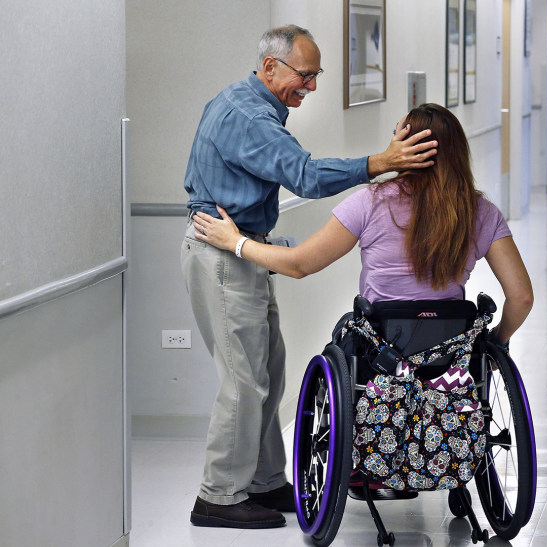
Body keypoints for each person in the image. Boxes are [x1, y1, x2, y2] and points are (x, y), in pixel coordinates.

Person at [181, 25, 437, 530]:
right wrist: (378, 164)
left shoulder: (252, 103)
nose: (313, 87)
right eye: (306, 75)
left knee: (269, 372)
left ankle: (266, 480)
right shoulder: (248, 116)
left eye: (317, 75)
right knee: (243, 381)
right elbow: (304, 175)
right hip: (224, 253)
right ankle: (219, 496)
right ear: (270, 66)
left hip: (246, 249)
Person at [193, 101, 534, 373]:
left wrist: (235, 242)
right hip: (450, 353)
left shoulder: (370, 202)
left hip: (381, 352)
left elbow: (299, 265)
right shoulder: (482, 213)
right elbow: (521, 298)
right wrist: (498, 341)